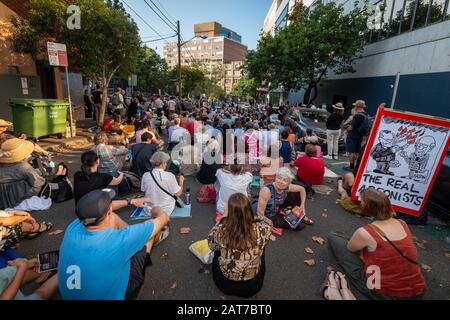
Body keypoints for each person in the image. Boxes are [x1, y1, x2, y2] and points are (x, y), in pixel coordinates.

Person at [58, 189, 169, 300]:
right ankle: (146, 242)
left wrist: (131, 201)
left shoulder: (72, 227)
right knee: (148, 236)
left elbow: (108, 210)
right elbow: (164, 218)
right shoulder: (118, 240)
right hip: (121, 295)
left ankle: (133, 242)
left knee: (114, 219)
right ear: (109, 210)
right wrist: (156, 210)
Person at [327, 188, 427, 300]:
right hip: (418, 291)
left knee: (334, 237)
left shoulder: (365, 232)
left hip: (385, 293)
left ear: (366, 208)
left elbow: (350, 249)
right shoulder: (402, 223)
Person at [208, 193, 273, 298]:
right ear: (249, 209)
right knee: (262, 243)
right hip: (253, 286)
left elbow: (211, 246)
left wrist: (223, 219)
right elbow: (268, 222)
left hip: (224, 284)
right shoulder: (263, 228)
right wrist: (253, 216)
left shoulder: (220, 230)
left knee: (217, 248)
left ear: (229, 211)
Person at [0, 138, 46, 210]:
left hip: (2, 200)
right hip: (19, 198)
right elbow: (38, 183)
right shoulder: (23, 167)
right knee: (36, 181)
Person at [141, 152, 184, 217]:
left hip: (150, 210)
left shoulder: (145, 175)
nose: (166, 164)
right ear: (162, 163)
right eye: (166, 162)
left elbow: (143, 191)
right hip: (166, 210)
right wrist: (181, 182)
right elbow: (178, 194)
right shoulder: (170, 175)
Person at [345, 100, 369, 172]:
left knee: (351, 151)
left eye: (355, 106)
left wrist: (347, 128)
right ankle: (355, 166)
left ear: (357, 106)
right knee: (356, 151)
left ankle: (351, 167)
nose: (354, 107)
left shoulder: (357, 115)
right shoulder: (366, 114)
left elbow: (351, 127)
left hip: (353, 135)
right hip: (360, 135)